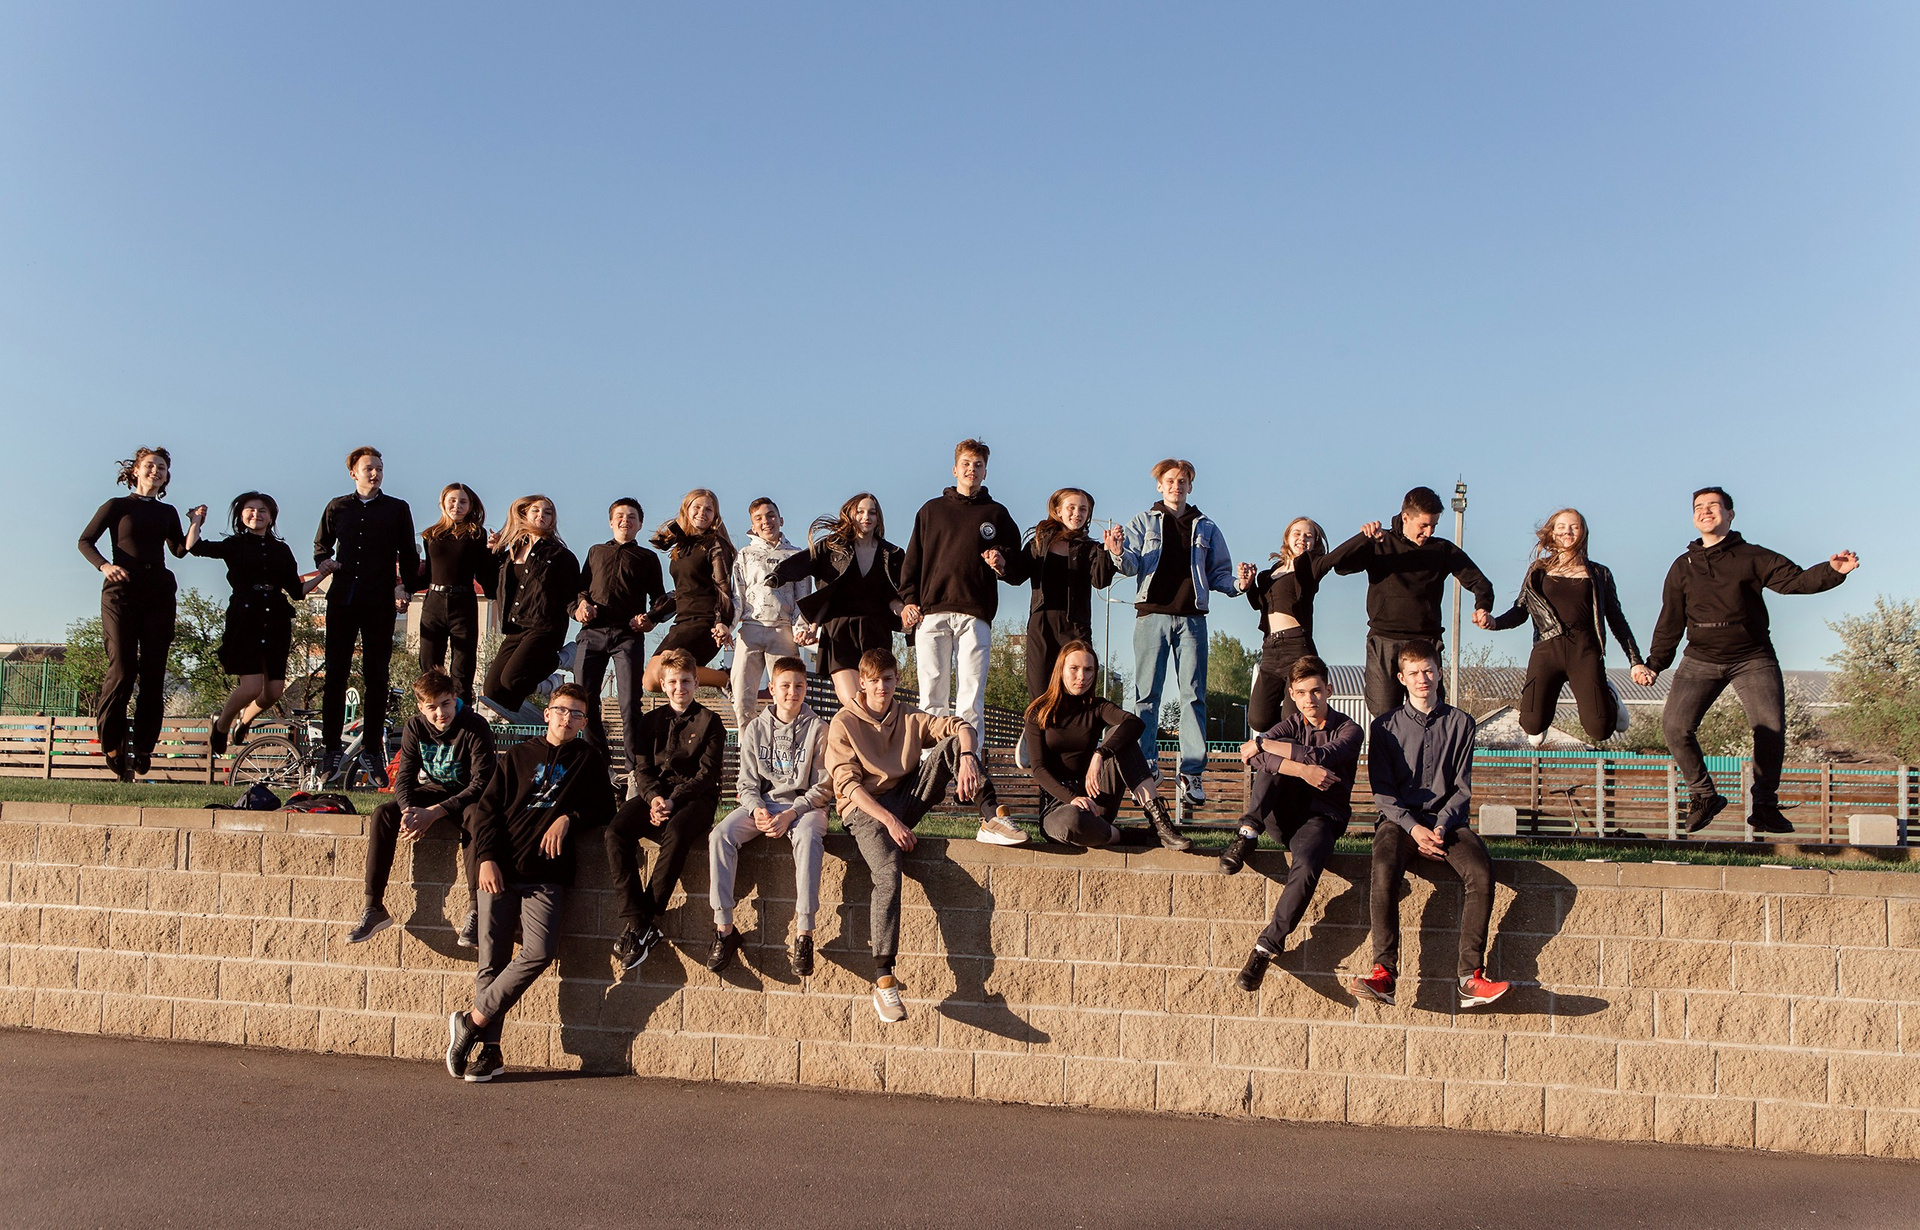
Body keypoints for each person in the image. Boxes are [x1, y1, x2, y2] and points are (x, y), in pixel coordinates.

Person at [1645, 487, 1859, 835]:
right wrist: (1655, 663)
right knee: (1675, 726)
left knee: (1769, 728)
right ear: (1693, 517)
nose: (1705, 511)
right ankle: (1704, 795)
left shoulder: (1753, 557)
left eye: (1714, 506)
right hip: (1701, 658)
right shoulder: (1682, 566)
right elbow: (1670, 619)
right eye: (1699, 507)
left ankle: (1764, 806)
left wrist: (1833, 571)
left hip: (1752, 656)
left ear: (1730, 514)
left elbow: (1795, 581)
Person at [827, 647, 1020, 1025]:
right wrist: (890, 822)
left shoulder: (908, 716)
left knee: (954, 746)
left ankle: (991, 818)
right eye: (873, 681)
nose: (881, 687)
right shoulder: (844, 722)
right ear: (862, 683)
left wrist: (967, 756)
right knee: (888, 872)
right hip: (864, 811)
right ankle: (884, 979)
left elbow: (960, 726)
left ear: (897, 679)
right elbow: (848, 786)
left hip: (904, 800)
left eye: (887, 679)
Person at [446, 682, 614, 1083]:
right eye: (561, 710)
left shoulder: (588, 760)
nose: (567, 718)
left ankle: (472, 1020)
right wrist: (486, 860)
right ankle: (489, 1052)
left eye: (576, 714)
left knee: (539, 951)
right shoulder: (518, 755)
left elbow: (606, 807)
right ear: (547, 714)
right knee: (492, 961)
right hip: (501, 870)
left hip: (547, 876)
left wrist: (568, 817)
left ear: (584, 722)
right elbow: (486, 811)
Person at [1350, 642, 1509, 1010]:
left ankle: (1470, 978)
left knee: (1481, 872)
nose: (1422, 678)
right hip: (1399, 822)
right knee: (1384, 868)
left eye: (1428, 670)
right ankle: (1384, 973)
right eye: (1414, 673)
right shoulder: (1384, 727)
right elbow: (1383, 793)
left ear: (1439, 673)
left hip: (1447, 823)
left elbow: (1462, 789)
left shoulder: (1462, 723)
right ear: (1401, 678)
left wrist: (1438, 828)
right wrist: (1412, 828)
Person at [1219, 656, 1363, 994]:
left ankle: (1264, 949)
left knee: (1308, 865)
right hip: (1282, 816)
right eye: (1301, 693)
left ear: (1329, 690)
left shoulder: (1349, 729)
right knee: (1274, 767)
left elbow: (1322, 757)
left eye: (1316, 691)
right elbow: (1255, 759)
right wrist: (1302, 770)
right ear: (1293, 695)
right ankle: (1247, 834)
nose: (1309, 700)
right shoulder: (1290, 724)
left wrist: (1265, 742)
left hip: (1321, 819)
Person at [1109, 458, 1236, 806]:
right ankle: (1146, 764)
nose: (1176, 486)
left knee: (1193, 695)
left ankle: (1191, 771)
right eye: (1170, 481)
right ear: (1159, 485)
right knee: (1146, 695)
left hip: (1192, 618)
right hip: (1151, 616)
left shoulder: (1206, 526)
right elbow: (1130, 563)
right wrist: (1117, 552)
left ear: (1190, 486)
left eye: (1182, 481)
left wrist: (1241, 583)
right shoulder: (1143, 521)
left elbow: (1220, 573)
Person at [78, 447, 205, 781]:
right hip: (121, 592)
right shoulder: (116, 506)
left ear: (166, 476)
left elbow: (180, 550)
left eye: (161, 467)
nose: (156, 471)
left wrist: (195, 523)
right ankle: (111, 743)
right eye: (150, 465)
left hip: (158, 593)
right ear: (135, 471)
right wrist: (105, 566)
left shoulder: (167, 511)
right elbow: (85, 541)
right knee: (122, 668)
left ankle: (144, 746)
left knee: (153, 672)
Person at [350, 668, 498, 946]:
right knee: (384, 814)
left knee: (476, 817)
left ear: (454, 698)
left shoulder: (475, 725)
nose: (441, 713)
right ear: (421, 707)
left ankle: (476, 910)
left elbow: (482, 783)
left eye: (445, 704)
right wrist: (408, 812)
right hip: (435, 791)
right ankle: (374, 907)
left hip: (471, 797)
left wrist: (434, 813)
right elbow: (404, 778)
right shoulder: (415, 727)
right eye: (432, 707)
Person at [1323, 486, 1495, 720]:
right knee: (1384, 714)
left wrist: (1482, 606)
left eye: (1434, 525)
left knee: (1431, 711)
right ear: (1406, 517)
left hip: (1425, 640)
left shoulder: (1442, 550)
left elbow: (1479, 582)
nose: (1428, 532)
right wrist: (1362, 540)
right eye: (1423, 525)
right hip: (1385, 639)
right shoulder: (1380, 542)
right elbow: (1341, 567)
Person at [706, 656, 832, 977]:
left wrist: (791, 813)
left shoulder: (819, 729)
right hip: (763, 807)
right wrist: (756, 809)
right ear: (772, 688)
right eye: (785, 686)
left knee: (808, 837)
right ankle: (723, 929)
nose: (793, 692)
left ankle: (804, 934)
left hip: (805, 809)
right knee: (720, 835)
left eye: (799, 686)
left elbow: (822, 787)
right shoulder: (755, 729)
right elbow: (746, 783)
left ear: (806, 688)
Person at [897, 439, 1025, 747]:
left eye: (978, 465)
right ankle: (930, 763)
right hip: (933, 612)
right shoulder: (931, 511)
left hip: (975, 613)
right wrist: (909, 600)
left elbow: (1018, 565)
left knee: (971, 695)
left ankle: (971, 760)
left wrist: (1002, 562)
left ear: (985, 472)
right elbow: (913, 560)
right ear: (955, 469)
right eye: (966, 464)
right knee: (932, 695)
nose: (972, 469)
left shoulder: (997, 513)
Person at [605, 648, 726, 974]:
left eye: (685, 681)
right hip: (655, 795)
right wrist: (655, 798)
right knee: (616, 831)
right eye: (672, 682)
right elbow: (642, 769)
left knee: (676, 832)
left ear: (696, 682)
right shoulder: (649, 722)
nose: (679, 688)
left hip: (695, 799)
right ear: (663, 684)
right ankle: (637, 922)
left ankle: (645, 920)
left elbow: (706, 775)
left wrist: (673, 801)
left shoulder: (711, 722)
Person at [1487, 508, 1652, 746]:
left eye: (1574, 527)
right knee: (1532, 725)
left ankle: (1610, 694)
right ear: (1552, 533)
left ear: (1583, 532)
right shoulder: (1538, 570)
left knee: (1599, 729)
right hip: (1547, 648)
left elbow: (1617, 619)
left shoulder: (1599, 573)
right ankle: (1541, 713)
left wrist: (1635, 661)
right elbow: (1521, 609)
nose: (1568, 532)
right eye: (1561, 527)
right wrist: (1495, 622)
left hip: (1584, 650)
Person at [313, 446, 419, 786]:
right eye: (368, 468)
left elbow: (408, 552)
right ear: (353, 473)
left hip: (379, 600)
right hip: (343, 598)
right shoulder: (337, 507)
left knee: (377, 676)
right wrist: (324, 563)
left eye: (379, 468)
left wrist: (403, 586)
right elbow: (321, 546)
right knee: (335, 674)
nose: (375, 473)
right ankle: (331, 749)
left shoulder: (397, 509)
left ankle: (372, 750)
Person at [1022, 641, 1189, 851]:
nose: (1082, 676)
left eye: (1088, 670)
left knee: (1120, 735)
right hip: (1058, 807)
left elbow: (1134, 723)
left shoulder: (1097, 707)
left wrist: (1100, 753)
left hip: (1096, 799)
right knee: (1073, 820)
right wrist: (1072, 799)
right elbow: (1038, 768)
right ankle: (1128, 836)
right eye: (1074, 668)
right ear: (1061, 670)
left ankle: (1160, 824)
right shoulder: (1039, 711)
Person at [192, 492, 319, 755]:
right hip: (245, 618)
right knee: (250, 687)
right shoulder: (234, 544)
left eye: (262, 510)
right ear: (241, 515)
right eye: (250, 509)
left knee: (273, 692)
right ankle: (222, 724)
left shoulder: (281, 550)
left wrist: (323, 574)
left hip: (276, 620)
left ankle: (245, 720)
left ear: (271, 517)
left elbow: (297, 591)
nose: (256, 514)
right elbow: (195, 547)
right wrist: (196, 522)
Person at [772, 493, 906, 709]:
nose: (866, 517)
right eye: (860, 512)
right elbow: (806, 563)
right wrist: (779, 575)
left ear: (878, 518)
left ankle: (877, 731)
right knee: (853, 702)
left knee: (876, 702)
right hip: (840, 631)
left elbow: (894, 595)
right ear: (850, 515)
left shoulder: (892, 554)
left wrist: (905, 610)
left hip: (876, 631)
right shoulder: (832, 547)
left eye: (872, 512)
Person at [573, 498, 666, 788]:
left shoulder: (647, 558)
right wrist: (581, 605)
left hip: (627, 636)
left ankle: (634, 770)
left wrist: (650, 619)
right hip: (592, 633)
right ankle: (601, 767)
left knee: (629, 703)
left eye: (632, 517)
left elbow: (660, 599)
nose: (626, 520)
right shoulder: (595, 552)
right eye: (620, 516)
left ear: (640, 524)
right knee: (584, 700)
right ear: (611, 521)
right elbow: (580, 590)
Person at [478, 495, 580, 722]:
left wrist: (580, 610)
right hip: (515, 627)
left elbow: (573, 594)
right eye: (536, 511)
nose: (541, 516)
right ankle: (527, 720)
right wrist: (492, 552)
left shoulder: (560, 555)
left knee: (512, 679)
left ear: (553, 519)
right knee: (493, 690)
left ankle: (562, 660)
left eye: (547, 512)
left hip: (545, 627)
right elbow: (491, 589)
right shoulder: (511, 552)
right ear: (525, 514)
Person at [1015, 487, 1117, 700]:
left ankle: (1076, 723)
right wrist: (999, 563)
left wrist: (1109, 552)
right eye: (1071, 507)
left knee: (1077, 689)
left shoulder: (1091, 548)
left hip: (1076, 625)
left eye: (1083, 509)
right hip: (1042, 623)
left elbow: (1100, 581)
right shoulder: (1038, 543)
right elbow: (1016, 575)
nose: (1077, 513)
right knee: (1040, 690)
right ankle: (1039, 723)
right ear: (1058, 510)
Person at [1237, 517, 1334, 732]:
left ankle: (1307, 738)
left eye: (1309, 536)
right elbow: (1259, 605)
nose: (1302, 538)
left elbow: (1337, 556)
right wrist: (1248, 585)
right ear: (1287, 538)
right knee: (1258, 720)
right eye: (1297, 534)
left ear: (1315, 543)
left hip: (1297, 648)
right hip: (1270, 650)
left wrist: (1366, 537)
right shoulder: (1269, 574)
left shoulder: (1311, 567)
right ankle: (1293, 731)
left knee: (1292, 718)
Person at [729, 497, 812, 729]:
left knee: (787, 696)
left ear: (780, 520)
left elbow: (803, 599)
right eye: (759, 518)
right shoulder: (744, 555)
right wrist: (728, 626)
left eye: (770, 515)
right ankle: (746, 747)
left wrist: (801, 629)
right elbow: (737, 596)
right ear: (753, 525)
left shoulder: (796, 555)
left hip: (783, 631)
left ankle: (786, 743)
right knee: (742, 697)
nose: (766, 521)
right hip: (751, 628)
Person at [642, 489, 736, 693]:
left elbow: (724, 586)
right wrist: (653, 616)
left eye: (708, 509)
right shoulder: (682, 546)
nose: (702, 512)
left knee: (665, 670)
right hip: (683, 620)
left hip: (705, 622)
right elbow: (681, 592)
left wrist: (723, 622)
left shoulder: (715, 544)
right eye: (697, 507)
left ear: (715, 515)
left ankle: (728, 679)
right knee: (650, 681)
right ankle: (723, 679)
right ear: (686, 510)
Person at [416, 483, 494, 704]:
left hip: (463, 602)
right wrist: (403, 588)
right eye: (452, 500)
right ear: (443, 503)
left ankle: (461, 713)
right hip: (434, 602)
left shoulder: (476, 534)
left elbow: (484, 573)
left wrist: (493, 552)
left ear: (470, 506)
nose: (457, 506)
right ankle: (430, 712)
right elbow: (428, 574)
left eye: (462, 502)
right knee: (429, 666)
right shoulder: (430, 535)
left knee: (463, 666)